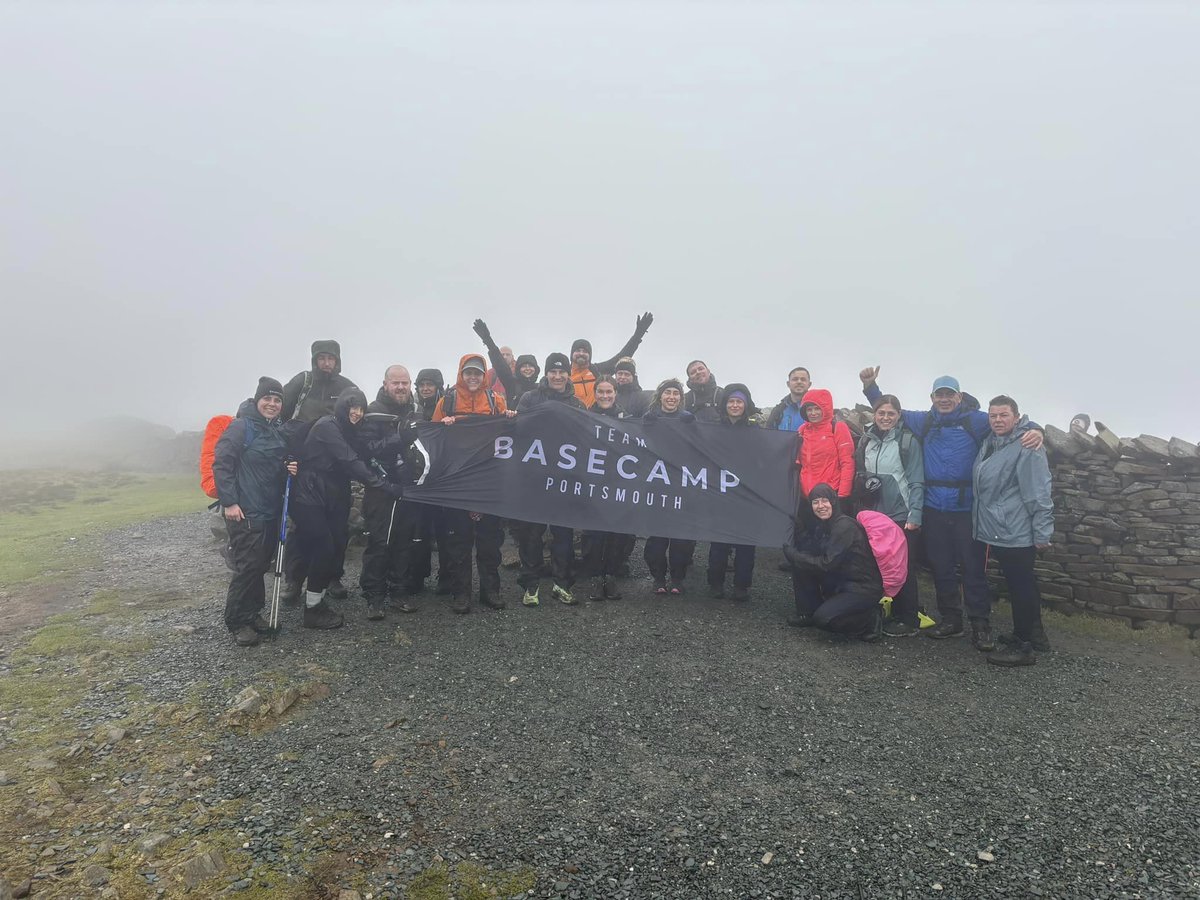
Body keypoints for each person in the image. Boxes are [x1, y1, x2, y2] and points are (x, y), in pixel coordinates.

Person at [860, 367, 1044, 650]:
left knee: (973, 569)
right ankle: (951, 620)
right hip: (934, 506)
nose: (944, 400)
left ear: (959, 397)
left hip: (967, 509)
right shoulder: (925, 421)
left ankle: (980, 625)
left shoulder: (976, 420)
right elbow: (889, 409)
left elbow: (1007, 423)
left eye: (949, 395)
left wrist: (1036, 430)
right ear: (932, 397)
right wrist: (870, 385)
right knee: (941, 567)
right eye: (939, 395)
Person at [291, 387, 404, 629]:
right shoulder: (327, 426)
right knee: (321, 544)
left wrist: (399, 439)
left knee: (331, 546)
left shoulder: (349, 429)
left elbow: (364, 453)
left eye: (361, 408)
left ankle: (314, 601)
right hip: (309, 491)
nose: (357, 413)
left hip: (332, 492)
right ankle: (307, 603)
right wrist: (383, 485)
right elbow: (350, 461)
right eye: (353, 407)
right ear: (342, 406)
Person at [212, 377, 298, 647]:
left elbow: (273, 464)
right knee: (247, 567)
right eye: (267, 399)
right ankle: (237, 621)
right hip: (245, 511)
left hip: (270, 509)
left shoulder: (276, 429)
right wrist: (229, 502)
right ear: (257, 400)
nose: (272, 404)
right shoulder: (241, 427)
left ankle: (252, 613)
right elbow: (222, 463)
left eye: (277, 400)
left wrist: (288, 466)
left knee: (260, 565)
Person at [973, 396, 1054, 667]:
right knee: (1022, 583)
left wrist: (1042, 533)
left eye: (1004, 415)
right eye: (993, 415)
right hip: (1001, 529)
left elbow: (1038, 493)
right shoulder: (992, 442)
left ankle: (1024, 647)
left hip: (1016, 530)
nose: (997, 420)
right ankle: (1035, 635)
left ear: (1017, 417)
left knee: (1021, 587)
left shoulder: (1027, 445)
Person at [433, 353, 515, 613]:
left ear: (484, 376)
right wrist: (442, 425)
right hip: (457, 482)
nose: (472, 377)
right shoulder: (447, 402)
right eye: (468, 372)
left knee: (490, 542)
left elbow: (509, 436)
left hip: (488, 479)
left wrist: (511, 418)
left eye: (477, 373)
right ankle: (461, 594)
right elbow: (433, 439)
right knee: (459, 543)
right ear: (461, 373)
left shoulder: (496, 400)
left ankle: (491, 591)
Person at [515, 352, 589, 606]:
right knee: (530, 534)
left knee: (563, 535)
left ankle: (561, 582)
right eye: (553, 372)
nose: (557, 376)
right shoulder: (530, 397)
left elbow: (586, 438)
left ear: (568, 374)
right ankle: (531, 584)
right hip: (534, 478)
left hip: (564, 480)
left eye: (562, 372)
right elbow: (519, 429)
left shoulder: (577, 403)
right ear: (546, 373)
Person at [854, 394, 925, 636]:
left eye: (891, 414)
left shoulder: (907, 442)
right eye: (881, 413)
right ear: (874, 415)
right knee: (876, 563)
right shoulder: (866, 440)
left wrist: (915, 514)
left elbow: (916, 479)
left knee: (903, 565)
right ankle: (885, 612)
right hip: (874, 513)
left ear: (898, 416)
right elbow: (860, 472)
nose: (886, 417)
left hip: (899, 512)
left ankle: (908, 619)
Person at [358, 366, 424, 619]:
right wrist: (399, 437)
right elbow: (367, 451)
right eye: (395, 383)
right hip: (381, 489)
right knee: (379, 543)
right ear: (385, 384)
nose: (400, 387)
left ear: (410, 385)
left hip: (408, 487)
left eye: (404, 383)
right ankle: (374, 597)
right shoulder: (373, 412)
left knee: (404, 543)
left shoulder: (416, 412)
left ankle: (399, 592)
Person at [783, 483, 884, 641]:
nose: (820, 506)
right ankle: (808, 612)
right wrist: (800, 531)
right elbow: (814, 551)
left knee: (824, 619)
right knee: (801, 565)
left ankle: (869, 619)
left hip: (861, 587)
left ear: (833, 502)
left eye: (824, 501)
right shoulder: (824, 524)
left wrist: (794, 556)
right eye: (815, 502)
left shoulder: (844, 526)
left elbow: (826, 564)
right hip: (840, 582)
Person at [706, 384, 760, 602]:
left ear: (745, 405)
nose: (735, 405)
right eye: (731, 401)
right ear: (725, 404)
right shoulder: (713, 428)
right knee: (718, 542)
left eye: (739, 402)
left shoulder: (756, 431)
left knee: (746, 543)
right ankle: (715, 583)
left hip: (746, 495)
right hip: (721, 494)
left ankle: (741, 585)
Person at [643, 378, 697, 593]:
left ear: (680, 398)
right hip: (656, 484)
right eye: (668, 393)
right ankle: (658, 577)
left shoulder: (687, 421)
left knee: (681, 538)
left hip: (681, 484)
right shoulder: (650, 419)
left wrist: (692, 426)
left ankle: (677, 578)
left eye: (676, 393)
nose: (672, 397)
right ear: (660, 396)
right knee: (657, 536)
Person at [581, 376, 630, 601]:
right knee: (592, 535)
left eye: (609, 392)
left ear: (615, 393)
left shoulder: (628, 419)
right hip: (592, 483)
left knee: (615, 533)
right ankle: (593, 578)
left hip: (617, 483)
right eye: (600, 391)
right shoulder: (584, 416)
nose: (605, 396)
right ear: (595, 393)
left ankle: (610, 577)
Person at [568, 312, 655, 407]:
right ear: (572, 354)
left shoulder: (597, 370)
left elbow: (622, 356)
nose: (581, 353)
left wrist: (638, 335)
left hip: (594, 417)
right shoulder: (563, 375)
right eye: (578, 350)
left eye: (585, 351)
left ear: (590, 355)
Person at [796, 389, 855, 504]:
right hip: (806, 496)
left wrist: (843, 495)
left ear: (826, 408)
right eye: (809, 409)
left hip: (831, 493)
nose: (813, 413)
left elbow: (847, 462)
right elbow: (797, 463)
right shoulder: (802, 430)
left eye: (817, 408)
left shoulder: (838, 428)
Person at [282, 340, 358, 423]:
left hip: (334, 435)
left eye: (331, 358)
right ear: (315, 361)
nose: (327, 363)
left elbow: (359, 416)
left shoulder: (348, 388)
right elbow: (281, 408)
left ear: (337, 361)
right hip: (302, 435)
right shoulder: (303, 381)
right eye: (321, 358)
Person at [763, 367, 813, 432]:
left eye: (803, 379)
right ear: (788, 384)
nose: (799, 382)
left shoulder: (818, 410)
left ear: (809, 384)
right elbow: (769, 436)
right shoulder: (778, 411)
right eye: (795, 379)